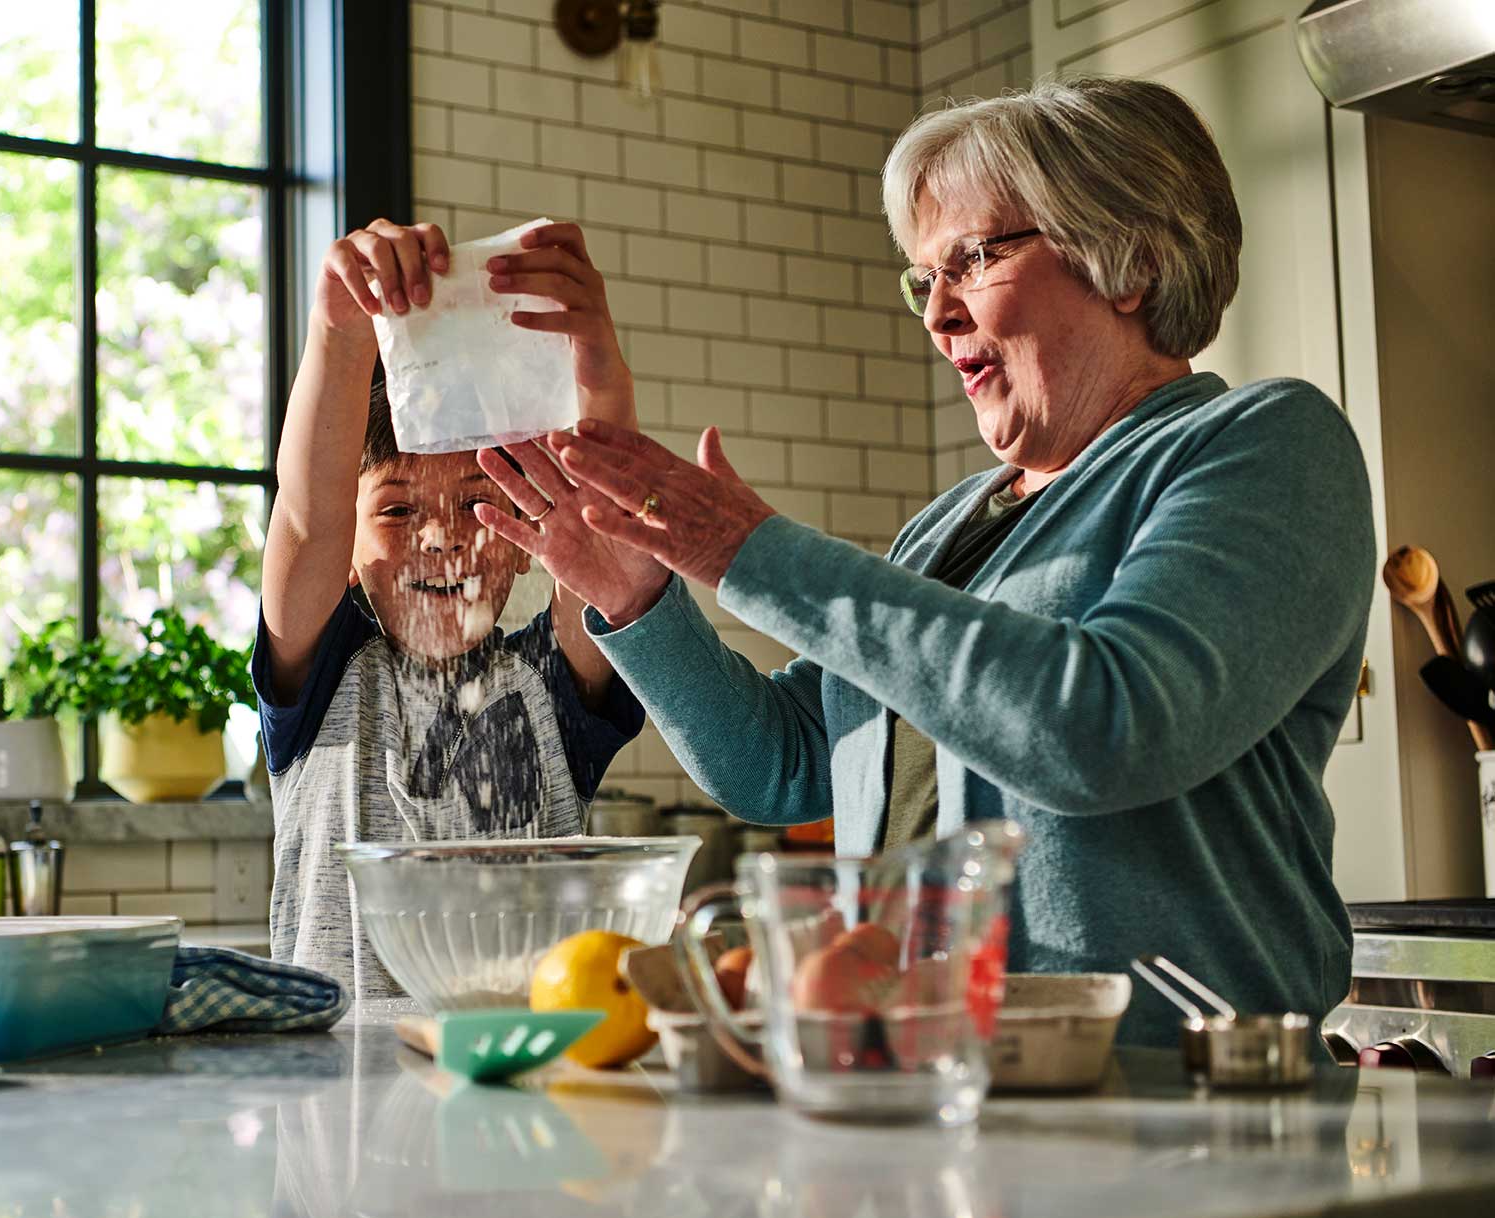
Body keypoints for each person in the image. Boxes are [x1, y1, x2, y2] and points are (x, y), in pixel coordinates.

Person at [473, 77, 1374, 1045]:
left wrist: (744, 549)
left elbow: (1105, 729)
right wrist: (636, 591)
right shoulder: (953, 525)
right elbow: (784, 767)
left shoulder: (1261, 443)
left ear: (1132, 263)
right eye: (921, 278)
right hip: (924, 1068)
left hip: (1172, 1085)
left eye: (973, 260)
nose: (936, 314)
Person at [255, 217, 645, 997]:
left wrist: (598, 372)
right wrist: (337, 331)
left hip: (523, 1076)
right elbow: (305, 516)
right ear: (352, 556)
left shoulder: (550, 684)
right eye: (397, 512)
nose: (439, 539)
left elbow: (608, 536)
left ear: (525, 536)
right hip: (342, 1086)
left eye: (476, 507)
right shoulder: (323, 677)